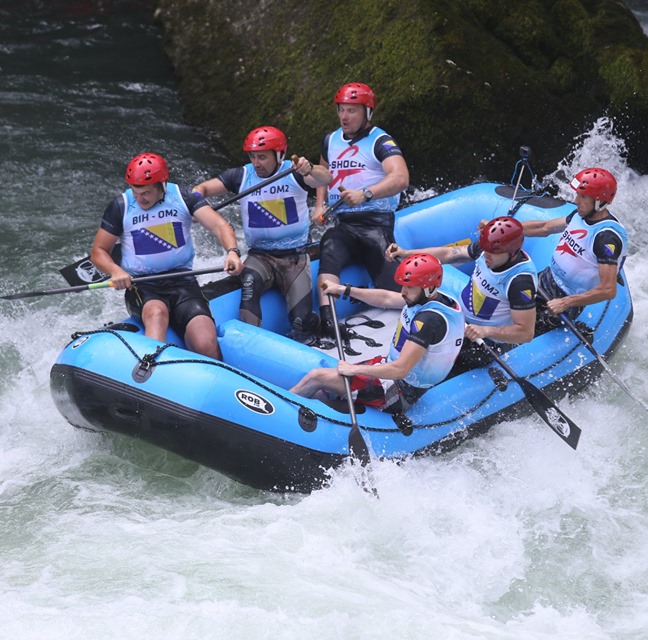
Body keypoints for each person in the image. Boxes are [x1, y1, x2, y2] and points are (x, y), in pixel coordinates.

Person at [90, 152, 243, 360]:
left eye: (146, 193)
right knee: (156, 312)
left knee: (206, 344)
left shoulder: (185, 197)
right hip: (142, 285)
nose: (139, 198)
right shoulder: (120, 206)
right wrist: (115, 271)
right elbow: (99, 251)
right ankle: (149, 367)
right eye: (135, 191)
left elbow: (219, 226)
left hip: (183, 281)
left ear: (162, 186)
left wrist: (232, 252)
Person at [192, 126, 331, 340]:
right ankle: (250, 342)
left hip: (294, 257)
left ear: (279, 155)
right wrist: (197, 204)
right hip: (260, 256)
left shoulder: (295, 172)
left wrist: (309, 168)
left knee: (301, 322)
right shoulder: (241, 175)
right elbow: (202, 189)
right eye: (253, 156)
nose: (256, 163)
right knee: (249, 285)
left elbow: (325, 178)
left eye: (262, 157)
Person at [290, 254, 464, 414]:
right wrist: (344, 290)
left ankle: (281, 412)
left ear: (429, 288)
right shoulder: (428, 298)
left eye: (409, 287)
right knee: (325, 388)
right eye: (404, 285)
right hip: (389, 368)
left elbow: (400, 369)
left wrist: (354, 369)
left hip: (400, 390)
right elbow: (386, 299)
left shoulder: (429, 321)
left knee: (316, 377)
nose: (403, 291)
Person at [311, 82, 410, 341]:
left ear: (368, 112)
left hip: (376, 225)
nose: (344, 117)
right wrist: (320, 205)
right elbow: (323, 174)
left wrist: (365, 194)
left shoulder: (381, 141)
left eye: (352, 111)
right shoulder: (330, 140)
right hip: (344, 224)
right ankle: (328, 319)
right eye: (341, 110)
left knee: (399, 291)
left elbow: (401, 178)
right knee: (329, 243)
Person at [386, 216, 538, 374]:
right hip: (460, 319)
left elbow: (526, 333)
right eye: (485, 249)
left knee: (431, 346)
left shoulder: (520, 282)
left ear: (512, 253)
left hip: (486, 341)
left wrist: (486, 331)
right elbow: (448, 254)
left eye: (493, 253)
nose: (486, 255)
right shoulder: (487, 248)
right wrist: (407, 254)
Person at [520, 168, 628, 332]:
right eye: (577, 194)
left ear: (600, 202)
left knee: (523, 328)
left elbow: (608, 289)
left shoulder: (606, 238)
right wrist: (507, 229)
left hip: (566, 298)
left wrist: (565, 303)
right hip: (547, 279)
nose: (576, 200)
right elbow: (545, 227)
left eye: (583, 197)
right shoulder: (581, 214)